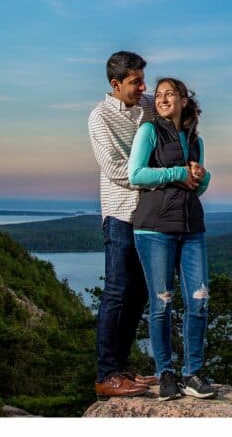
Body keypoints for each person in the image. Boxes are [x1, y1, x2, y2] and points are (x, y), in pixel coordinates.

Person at [88, 51, 180, 398]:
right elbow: (113, 168)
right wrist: (158, 179)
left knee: (141, 293)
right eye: (135, 82)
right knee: (117, 291)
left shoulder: (147, 104)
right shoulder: (99, 118)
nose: (144, 87)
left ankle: (122, 368)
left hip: (152, 215)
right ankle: (106, 373)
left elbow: (172, 129)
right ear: (115, 84)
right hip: (120, 213)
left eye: (144, 79)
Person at [128, 77, 216, 401]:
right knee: (162, 302)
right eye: (159, 94)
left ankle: (192, 374)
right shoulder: (150, 131)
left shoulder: (196, 140)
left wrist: (201, 177)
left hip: (192, 228)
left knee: (199, 300)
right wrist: (177, 173)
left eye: (170, 94)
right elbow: (135, 174)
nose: (162, 98)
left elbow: (200, 187)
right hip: (154, 228)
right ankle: (166, 374)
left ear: (183, 99)